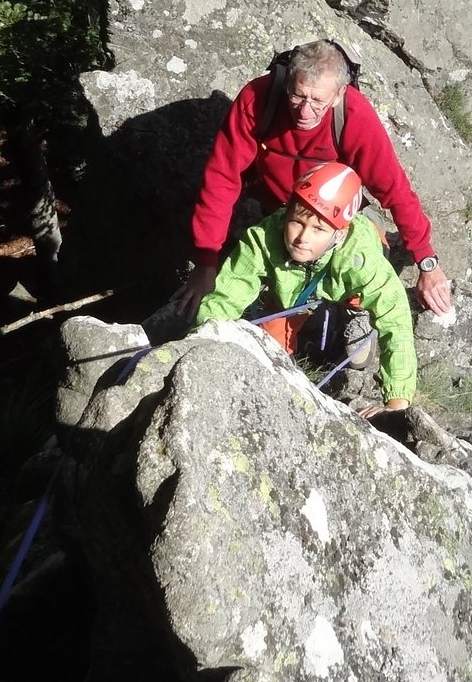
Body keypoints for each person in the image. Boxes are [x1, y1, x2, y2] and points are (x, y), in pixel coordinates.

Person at [174, 40, 452, 321]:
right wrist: (206, 263)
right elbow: (222, 177)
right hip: (278, 217)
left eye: (318, 101)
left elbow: (394, 189)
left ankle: (355, 317)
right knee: (279, 307)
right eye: (297, 96)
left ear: (339, 94)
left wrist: (427, 263)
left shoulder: (354, 116)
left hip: (333, 220)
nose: (304, 112)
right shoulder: (258, 99)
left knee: (368, 260)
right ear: (286, 84)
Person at [195, 162, 417, 419]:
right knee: (272, 353)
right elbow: (227, 294)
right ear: (286, 213)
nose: (303, 238)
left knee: (358, 325)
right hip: (292, 293)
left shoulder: (360, 257)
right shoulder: (265, 238)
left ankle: (356, 311)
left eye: (319, 229)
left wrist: (397, 400)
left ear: (339, 233)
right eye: (297, 222)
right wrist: (204, 341)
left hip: (345, 281)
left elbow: (395, 314)